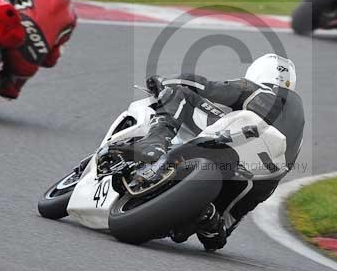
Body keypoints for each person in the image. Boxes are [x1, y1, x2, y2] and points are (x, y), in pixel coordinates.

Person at [112, 54, 305, 251]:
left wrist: (164, 81)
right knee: (221, 229)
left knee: (180, 92)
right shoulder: (298, 121)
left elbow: (207, 87)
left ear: (257, 72)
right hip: (267, 175)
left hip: (243, 137)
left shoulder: (258, 89)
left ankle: (155, 143)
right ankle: (212, 223)